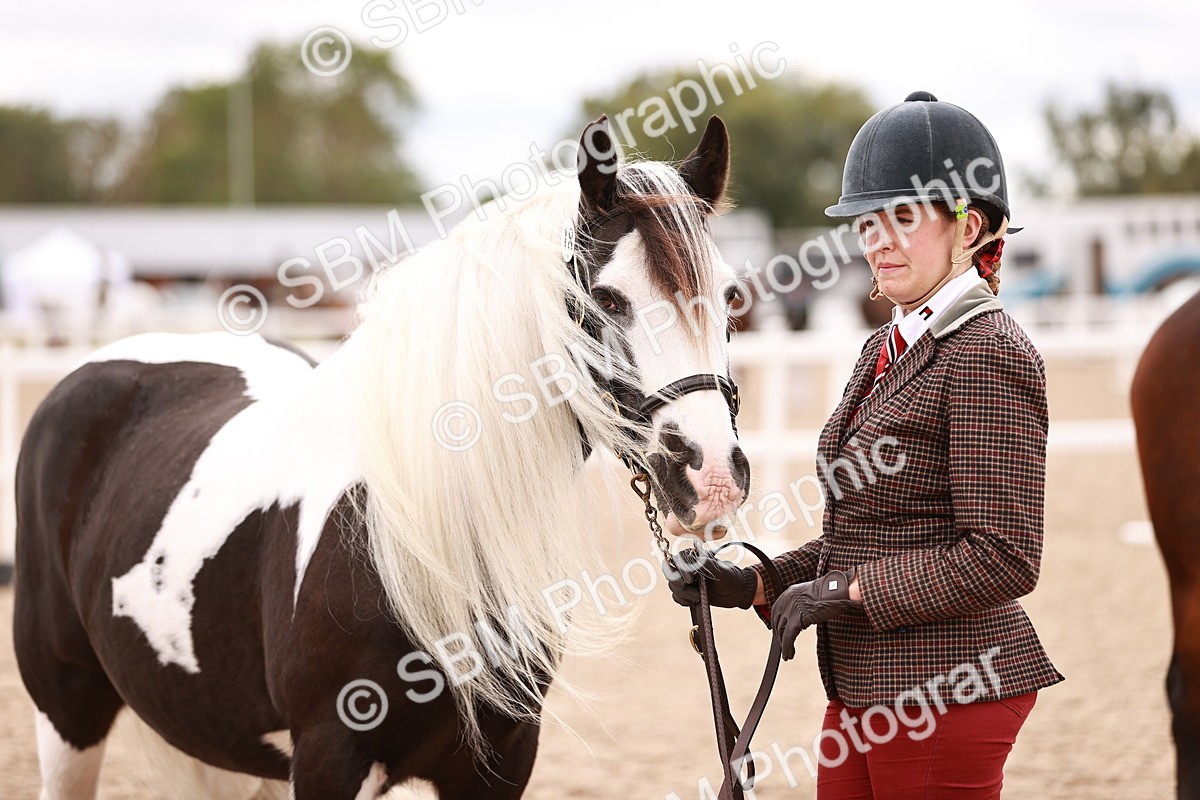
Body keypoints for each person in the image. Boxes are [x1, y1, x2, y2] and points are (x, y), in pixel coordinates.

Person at [665, 91, 1063, 799]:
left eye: (901, 218)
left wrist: (842, 592)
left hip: (946, 691)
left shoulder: (988, 353)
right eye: (868, 221)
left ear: (969, 228)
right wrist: (756, 581)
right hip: (864, 688)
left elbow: (1004, 556)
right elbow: (871, 534)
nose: (876, 239)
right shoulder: (884, 345)